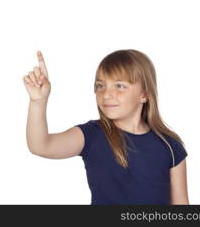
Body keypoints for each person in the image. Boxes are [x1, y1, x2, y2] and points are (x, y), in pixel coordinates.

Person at [24, 49, 188, 204]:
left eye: (119, 86)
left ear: (144, 94)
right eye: (100, 85)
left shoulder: (170, 145)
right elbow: (41, 146)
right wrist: (38, 102)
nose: (107, 94)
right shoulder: (92, 135)